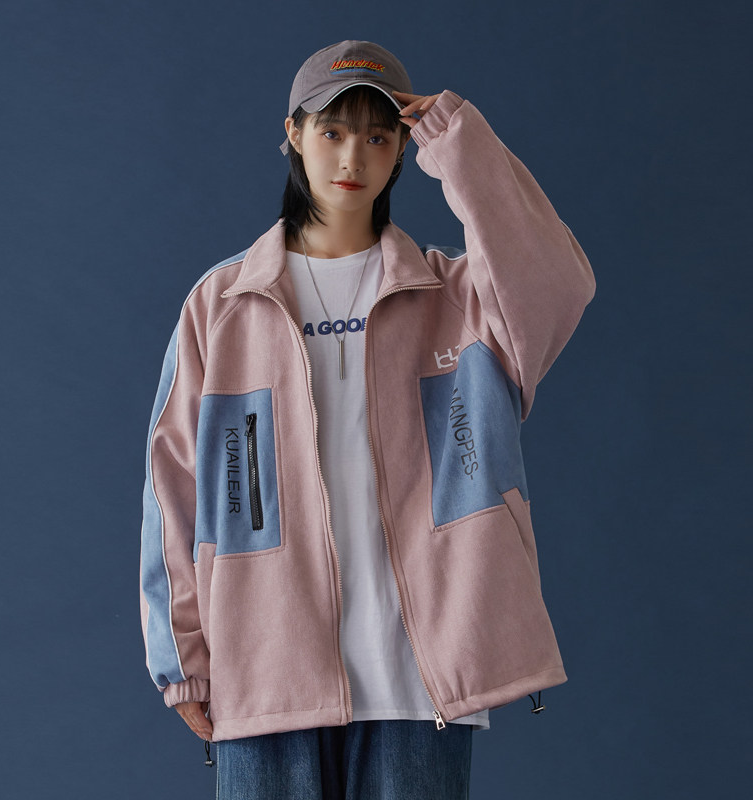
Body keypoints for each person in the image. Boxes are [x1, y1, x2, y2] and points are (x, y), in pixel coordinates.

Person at [140, 40, 595, 799]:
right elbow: (173, 488)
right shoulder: (222, 305)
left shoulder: (460, 298)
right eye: (332, 131)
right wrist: (181, 657)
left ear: (403, 149)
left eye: (379, 136)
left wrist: (458, 143)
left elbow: (559, 283)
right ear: (294, 133)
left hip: (425, 679)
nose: (354, 156)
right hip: (265, 668)